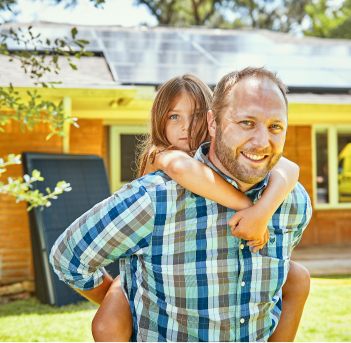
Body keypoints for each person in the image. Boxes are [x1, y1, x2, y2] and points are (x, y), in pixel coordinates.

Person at [50, 68, 312, 342]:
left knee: (298, 277)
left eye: (275, 126)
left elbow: (287, 167)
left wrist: (263, 210)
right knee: (107, 327)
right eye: (246, 122)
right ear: (216, 123)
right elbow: (67, 258)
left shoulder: (291, 202)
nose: (187, 128)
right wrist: (125, 296)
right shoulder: (158, 184)